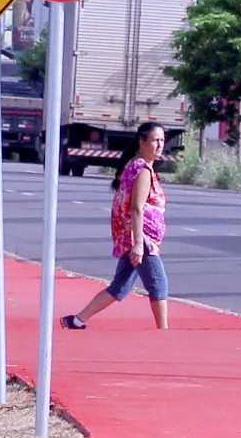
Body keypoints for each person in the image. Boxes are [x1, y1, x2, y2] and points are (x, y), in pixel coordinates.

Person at [64, 124, 171, 330]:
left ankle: (77, 320)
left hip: (132, 236)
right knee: (159, 285)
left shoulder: (137, 166)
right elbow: (136, 208)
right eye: (155, 140)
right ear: (142, 141)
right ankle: (163, 332)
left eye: (162, 141)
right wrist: (139, 244)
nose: (160, 145)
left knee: (119, 286)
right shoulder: (142, 170)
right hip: (141, 238)